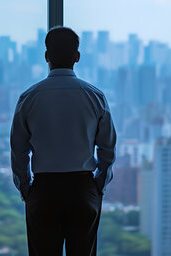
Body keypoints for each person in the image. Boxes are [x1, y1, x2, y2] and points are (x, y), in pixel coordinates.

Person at [10, 26, 117, 256]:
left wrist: (27, 188)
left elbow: (18, 152)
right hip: (82, 188)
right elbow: (107, 149)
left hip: (44, 189)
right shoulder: (95, 96)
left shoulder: (29, 98)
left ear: (46, 56)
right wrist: (98, 185)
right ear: (77, 57)